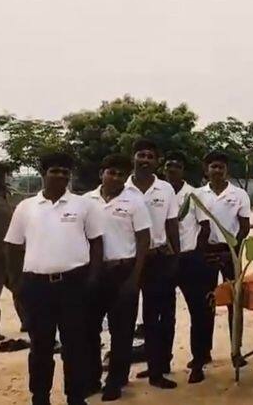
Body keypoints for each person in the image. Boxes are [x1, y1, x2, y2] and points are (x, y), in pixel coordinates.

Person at [4, 152, 104, 405]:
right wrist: (17, 284)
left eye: (65, 171)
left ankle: (75, 396)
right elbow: (13, 247)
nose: (60, 175)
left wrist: (92, 278)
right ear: (43, 174)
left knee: (75, 347)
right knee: (41, 348)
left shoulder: (84, 205)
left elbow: (96, 243)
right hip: (36, 288)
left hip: (74, 286)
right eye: (54, 170)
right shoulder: (26, 207)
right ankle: (40, 396)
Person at [84, 154, 152, 401]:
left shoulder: (135, 202)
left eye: (121, 174)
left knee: (121, 331)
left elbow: (144, 239)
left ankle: (116, 381)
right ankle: (91, 379)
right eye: (111, 172)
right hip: (93, 273)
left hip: (123, 272)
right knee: (90, 330)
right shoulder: (85, 201)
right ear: (101, 173)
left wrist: (135, 278)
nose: (116, 177)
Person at [126, 139, 180, 389]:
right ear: (133, 158)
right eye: (141, 155)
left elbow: (172, 225)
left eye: (150, 155)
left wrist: (174, 258)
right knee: (124, 317)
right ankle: (117, 375)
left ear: (156, 161)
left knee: (157, 317)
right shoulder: (121, 188)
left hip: (158, 259)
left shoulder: (166, 189)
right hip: (127, 260)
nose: (145, 159)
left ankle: (158, 369)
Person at [163, 151, 212, 384]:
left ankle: (199, 363)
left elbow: (205, 226)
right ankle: (161, 363)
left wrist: (198, 255)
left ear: (183, 169)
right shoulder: (159, 193)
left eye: (177, 165)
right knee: (164, 314)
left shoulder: (192, 194)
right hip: (163, 260)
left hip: (189, 260)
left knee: (198, 313)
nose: (172, 168)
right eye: (169, 164)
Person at [198, 151, 251, 360]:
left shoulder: (238, 195)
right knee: (207, 302)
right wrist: (203, 252)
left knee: (234, 302)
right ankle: (204, 352)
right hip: (208, 252)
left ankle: (236, 350)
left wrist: (232, 249)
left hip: (232, 252)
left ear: (226, 170)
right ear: (206, 170)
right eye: (213, 167)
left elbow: (245, 226)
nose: (217, 171)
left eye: (221, 167)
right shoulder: (198, 195)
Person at [0, 161, 26, 341]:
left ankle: (29, 321)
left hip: (11, 252)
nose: (3, 178)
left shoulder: (4, 196)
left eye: (4, 175)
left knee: (22, 288)